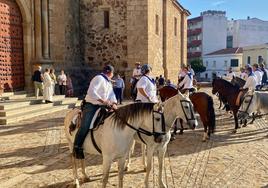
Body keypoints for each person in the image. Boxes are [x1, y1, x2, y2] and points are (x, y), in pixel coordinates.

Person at [73, 65, 117, 159]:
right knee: (85, 125)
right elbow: (91, 92)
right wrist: (103, 101)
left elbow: (111, 94)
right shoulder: (99, 78)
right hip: (91, 105)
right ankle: (77, 147)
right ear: (110, 73)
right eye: (113, 73)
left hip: (104, 105)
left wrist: (114, 103)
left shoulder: (108, 82)